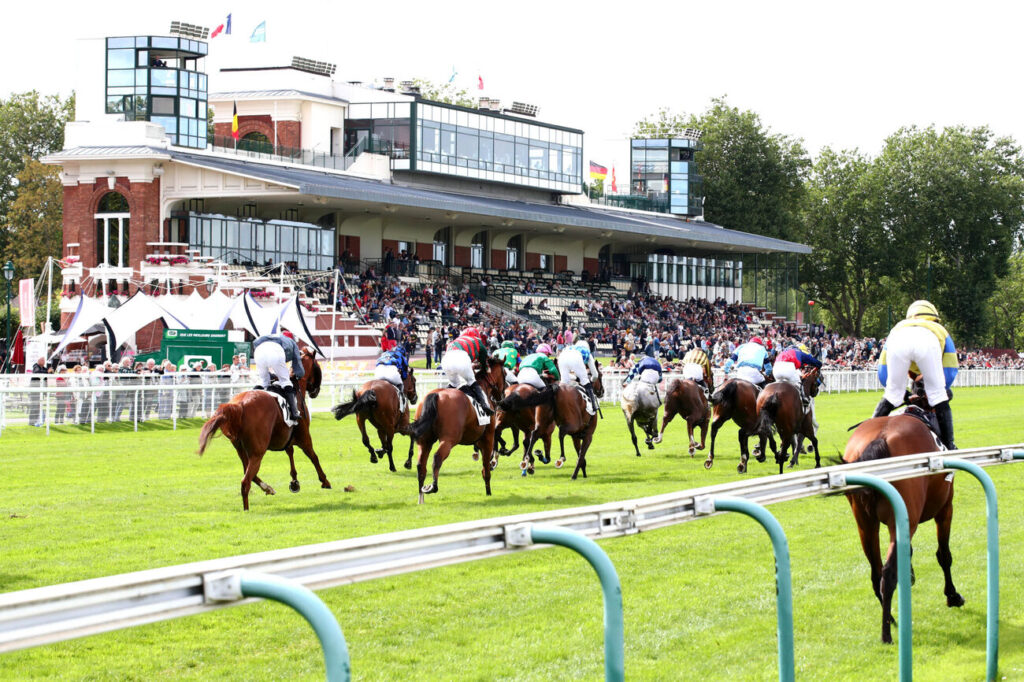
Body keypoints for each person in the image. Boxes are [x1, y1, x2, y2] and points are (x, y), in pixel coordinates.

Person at [874, 300, 959, 449]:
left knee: (891, 395)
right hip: (927, 342)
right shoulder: (939, 328)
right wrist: (936, 391)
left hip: (897, 341)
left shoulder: (897, 327)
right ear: (934, 318)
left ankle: (872, 435)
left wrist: (904, 396)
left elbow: (883, 372)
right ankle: (950, 446)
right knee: (938, 396)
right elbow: (951, 369)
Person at [252, 330, 304, 421]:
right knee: (285, 381)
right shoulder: (291, 342)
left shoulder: (271, 336)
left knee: (263, 382)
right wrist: (299, 375)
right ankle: (294, 412)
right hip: (276, 351)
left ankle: (252, 405)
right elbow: (298, 364)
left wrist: (271, 374)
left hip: (258, 351)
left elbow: (255, 343)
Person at [441, 326, 493, 415]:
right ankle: (485, 406)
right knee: (472, 382)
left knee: (454, 384)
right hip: (461, 358)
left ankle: (442, 398)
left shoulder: (456, 340)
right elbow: (483, 359)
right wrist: (485, 368)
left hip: (445, 360)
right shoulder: (478, 341)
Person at [558, 338, 599, 414]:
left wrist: (575, 377)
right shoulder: (587, 353)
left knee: (563, 382)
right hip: (576, 357)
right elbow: (595, 375)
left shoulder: (570, 347)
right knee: (585, 381)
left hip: (561, 356)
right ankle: (593, 406)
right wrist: (591, 380)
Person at [29, 356, 47, 426]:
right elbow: (37, 372)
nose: (43, 361)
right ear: (38, 361)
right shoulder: (35, 366)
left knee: (39, 406)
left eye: (44, 360)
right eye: (42, 360)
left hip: (42, 391)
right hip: (35, 391)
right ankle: (31, 422)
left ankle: (37, 421)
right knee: (34, 406)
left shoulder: (44, 368)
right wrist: (47, 372)